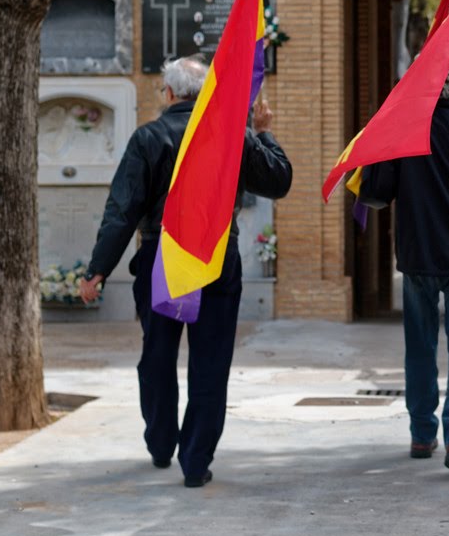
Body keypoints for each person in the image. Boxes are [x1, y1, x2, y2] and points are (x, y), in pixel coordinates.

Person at [81, 55, 292, 488]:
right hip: (216, 259)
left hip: (164, 259)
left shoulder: (149, 137)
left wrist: (98, 270)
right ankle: (195, 461)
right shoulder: (231, 136)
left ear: (170, 93)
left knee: (157, 355)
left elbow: (123, 209)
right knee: (210, 362)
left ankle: (161, 442)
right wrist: (262, 132)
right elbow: (279, 180)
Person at [358, 53, 449, 477]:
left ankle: (420, 432)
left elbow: (377, 191)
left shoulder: (406, 126)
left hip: (418, 256)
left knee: (420, 344)